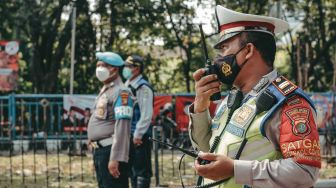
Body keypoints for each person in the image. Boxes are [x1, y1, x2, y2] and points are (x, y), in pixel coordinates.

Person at [188, 5, 321, 188]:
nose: (219, 58)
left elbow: (305, 172)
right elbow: (207, 148)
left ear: (248, 50)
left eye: (225, 48)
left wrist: (235, 169)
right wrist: (200, 107)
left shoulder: (289, 102)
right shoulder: (232, 99)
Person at [88, 52, 133, 188]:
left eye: (104, 65)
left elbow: (122, 126)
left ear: (114, 68)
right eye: (98, 65)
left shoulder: (122, 92)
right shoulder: (107, 90)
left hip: (111, 150)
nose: (99, 68)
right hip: (101, 151)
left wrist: (116, 158)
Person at [122, 55, 154, 188]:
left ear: (137, 68)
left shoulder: (143, 87)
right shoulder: (127, 85)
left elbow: (146, 114)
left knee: (141, 172)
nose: (125, 69)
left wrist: (138, 134)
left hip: (139, 136)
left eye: (128, 66)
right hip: (128, 134)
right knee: (132, 171)